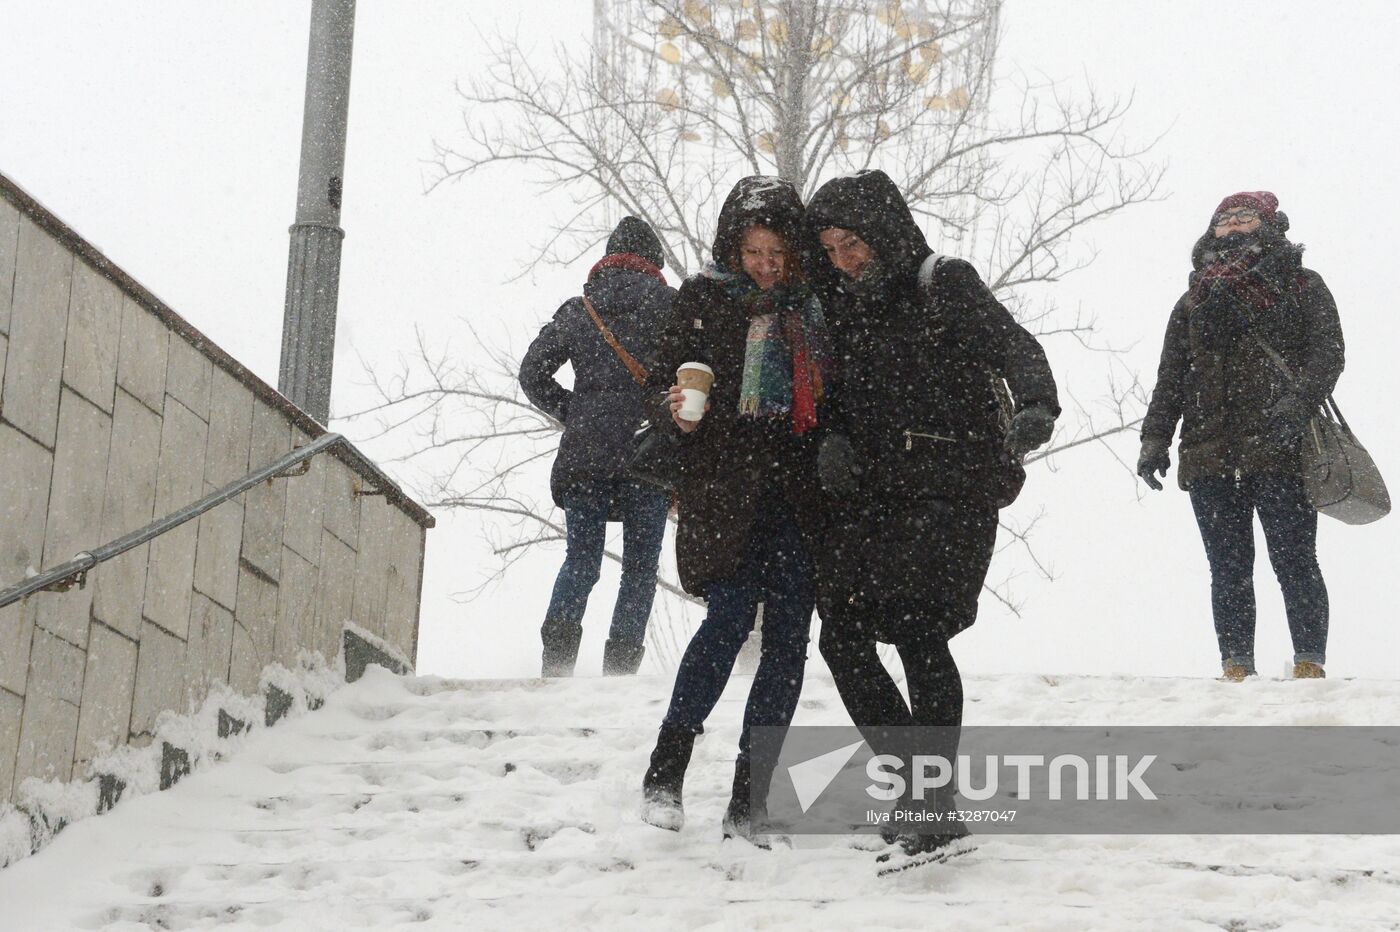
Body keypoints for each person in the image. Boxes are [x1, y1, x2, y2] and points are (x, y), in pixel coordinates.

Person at [804, 169, 1060, 860]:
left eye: (852, 242)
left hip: (951, 484)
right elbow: (838, 391)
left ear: (882, 232)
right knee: (844, 639)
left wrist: (1037, 402)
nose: (844, 259)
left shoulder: (941, 281)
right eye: (830, 248)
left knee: (919, 634)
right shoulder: (842, 304)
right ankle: (924, 790)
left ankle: (931, 801)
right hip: (875, 493)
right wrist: (830, 436)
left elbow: (1014, 346)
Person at [639, 176, 829, 842]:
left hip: (800, 497)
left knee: (787, 644)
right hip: (723, 489)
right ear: (733, 246)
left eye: (777, 253)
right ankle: (667, 767)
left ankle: (751, 794)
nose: (767, 266)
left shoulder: (816, 307)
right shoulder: (705, 299)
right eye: (754, 252)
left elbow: (840, 399)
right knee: (725, 620)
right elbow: (660, 380)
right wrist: (672, 410)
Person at [1138, 191, 1343, 681]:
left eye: (1243, 216)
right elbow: (1171, 378)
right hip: (1208, 452)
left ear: (1268, 224)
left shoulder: (1301, 285)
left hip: (1280, 448)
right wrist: (1154, 439)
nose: (1231, 226)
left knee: (1295, 562)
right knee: (1228, 570)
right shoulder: (1193, 301)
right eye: (1223, 219)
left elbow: (1328, 355)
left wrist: (1294, 409)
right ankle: (1235, 667)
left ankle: (1309, 662)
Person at [519, 217, 677, 677]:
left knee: (581, 561)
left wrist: (577, 413)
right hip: (648, 455)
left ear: (608, 258)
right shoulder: (673, 307)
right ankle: (620, 673)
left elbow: (532, 375)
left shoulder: (580, 308)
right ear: (654, 263)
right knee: (640, 570)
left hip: (586, 456)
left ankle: (557, 665)